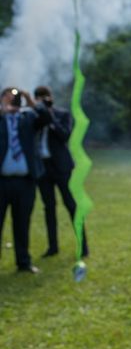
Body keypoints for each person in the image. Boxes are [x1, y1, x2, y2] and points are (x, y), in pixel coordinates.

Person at [33, 86, 89, 258]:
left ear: (51, 98)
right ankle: (52, 246)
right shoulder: (34, 115)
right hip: (43, 167)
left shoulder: (62, 114)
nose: (43, 100)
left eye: (45, 97)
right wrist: (40, 113)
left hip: (61, 168)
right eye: (39, 98)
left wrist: (49, 116)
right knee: (49, 207)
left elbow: (65, 135)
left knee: (71, 205)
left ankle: (83, 245)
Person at [0, 88, 51, 273]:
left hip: (25, 182)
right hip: (2, 182)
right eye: (9, 97)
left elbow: (47, 119)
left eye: (16, 98)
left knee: (22, 222)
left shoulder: (28, 118)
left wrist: (30, 100)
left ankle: (23, 262)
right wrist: (2, 109)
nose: (13, 101)